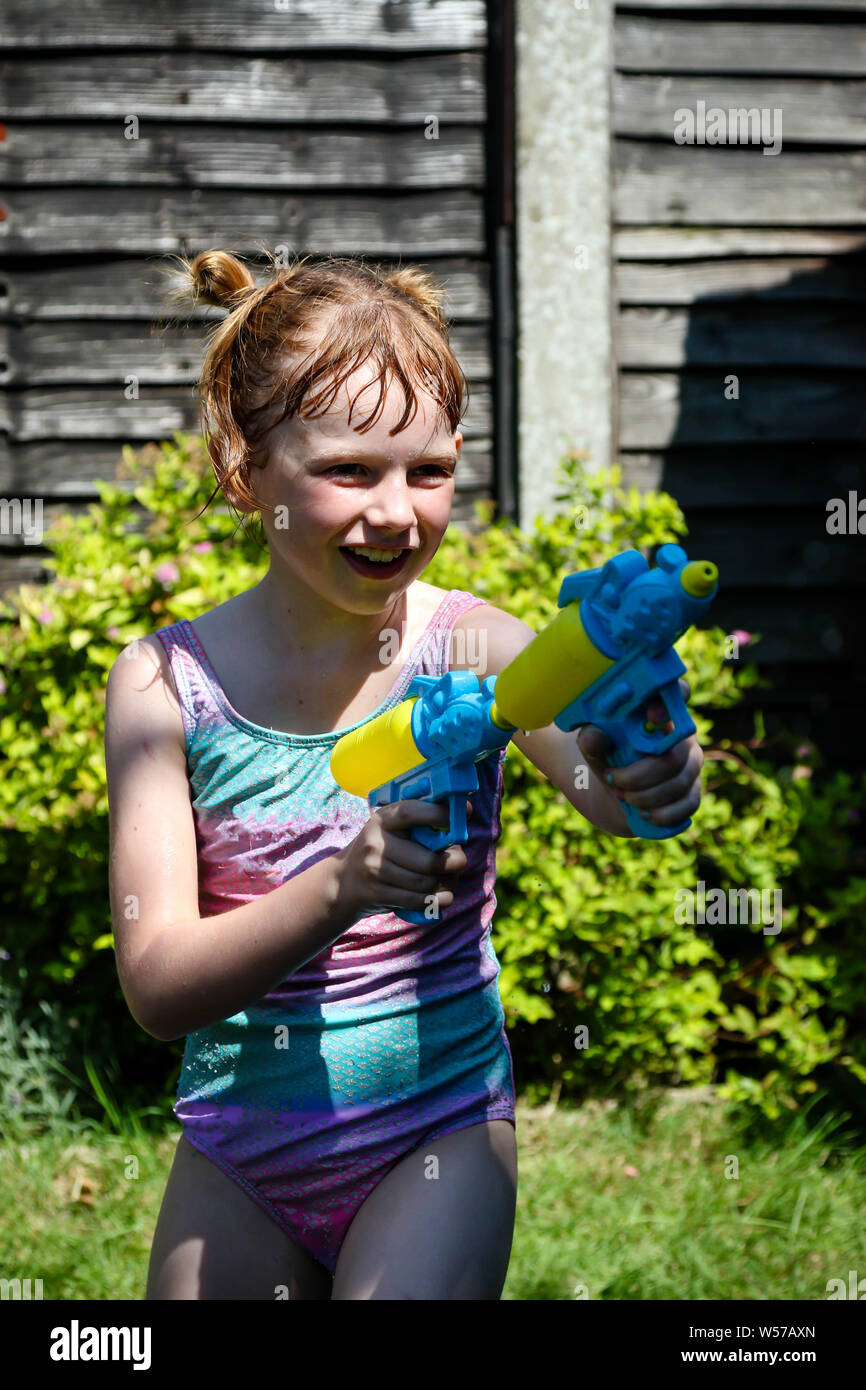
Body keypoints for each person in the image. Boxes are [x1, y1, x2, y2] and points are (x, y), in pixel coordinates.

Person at [104, 248, 704, 1300]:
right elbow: (157, 989)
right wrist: (342, 885)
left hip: (433, 1132)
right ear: (242, 468)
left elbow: (604, 794)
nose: (396, 511)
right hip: (238, 1152)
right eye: (348, 471)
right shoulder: (166, 686)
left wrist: (651, 769)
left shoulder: (472, 649)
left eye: (427, 471)